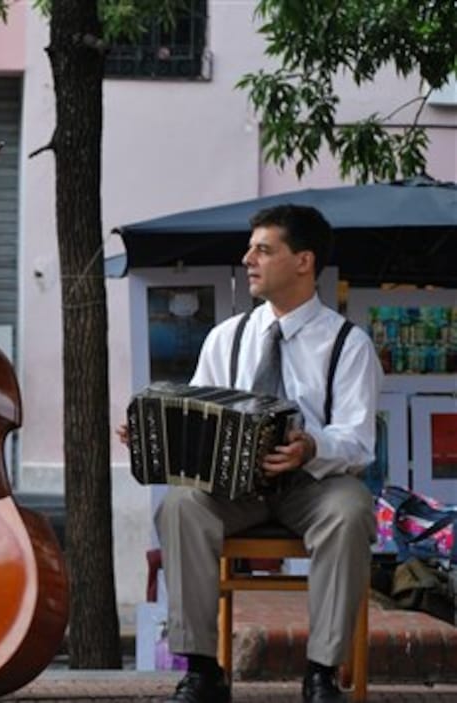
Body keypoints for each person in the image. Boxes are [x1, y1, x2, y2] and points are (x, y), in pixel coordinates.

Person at [123, 205, 381, 703]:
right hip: (234, 489)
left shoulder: (349, 344)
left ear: (303, 261)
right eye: (251, 249)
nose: (248, 259)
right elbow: (194, 411)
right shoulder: (228, 336)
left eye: (264, 249)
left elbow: (359, 440)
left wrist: (311, 447)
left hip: (316, 486)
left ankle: (321, 673)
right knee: (179, 504)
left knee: (350, 511)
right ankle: (201, 669)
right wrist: (155, 431)